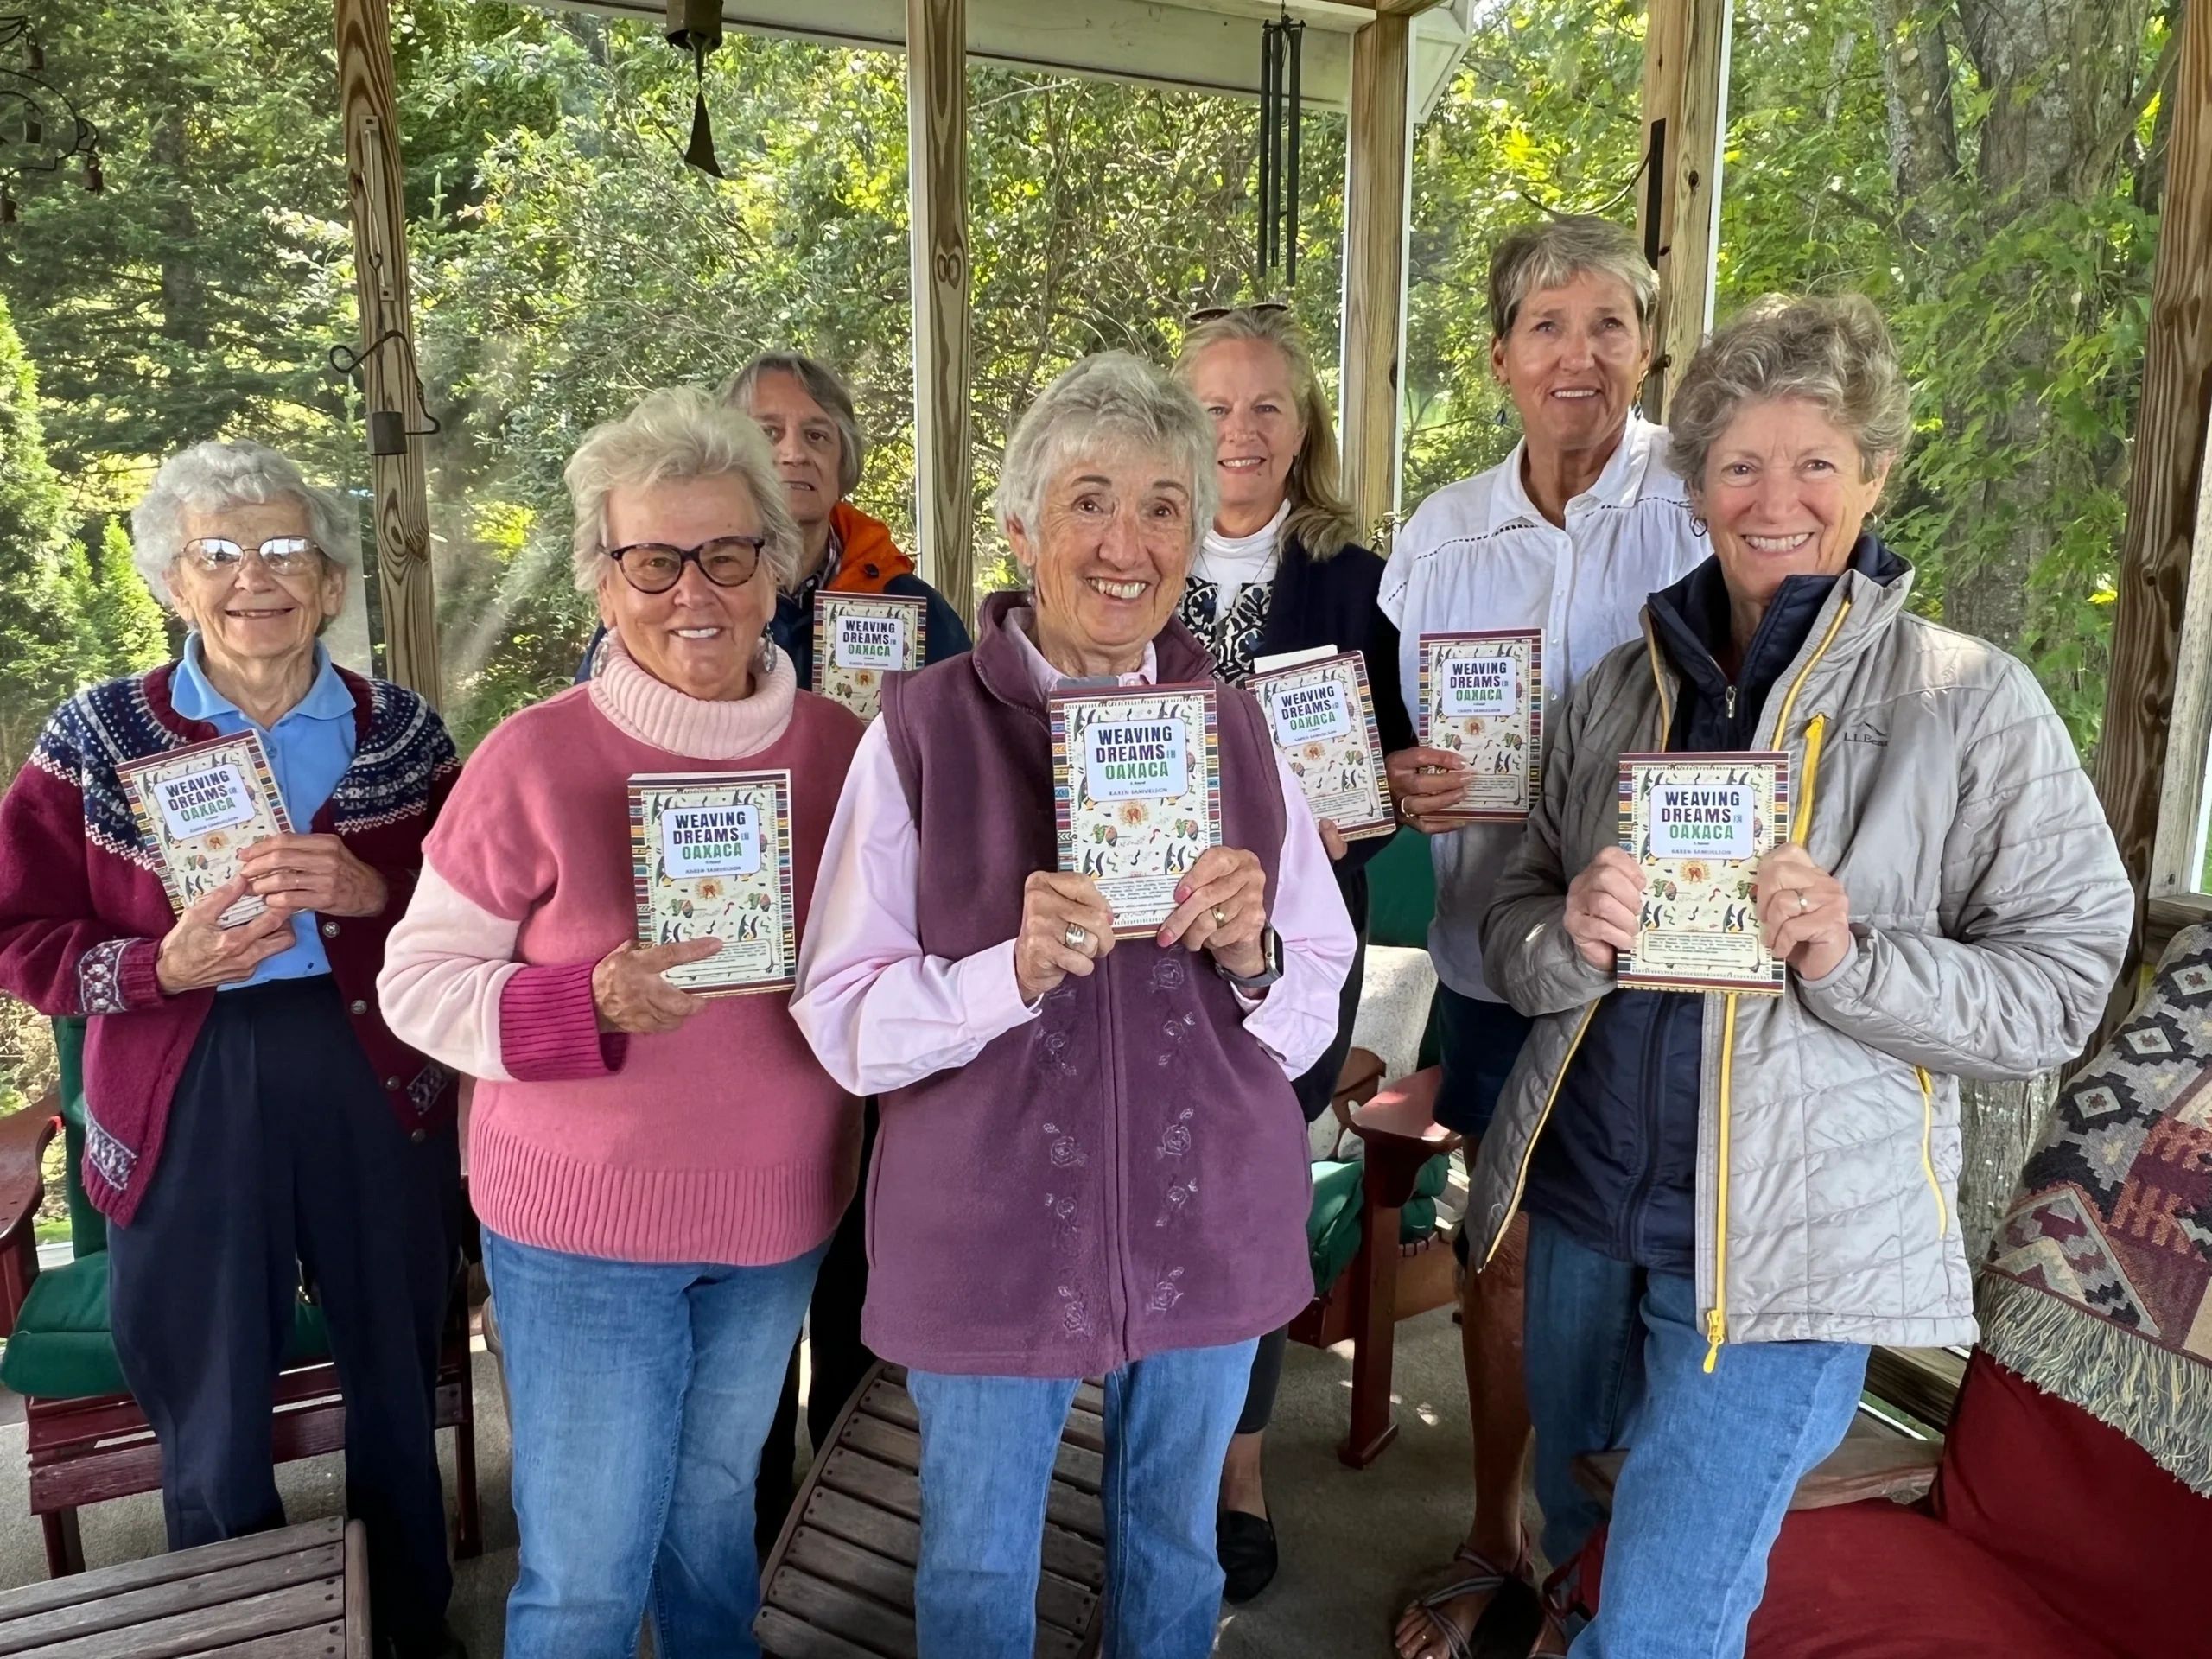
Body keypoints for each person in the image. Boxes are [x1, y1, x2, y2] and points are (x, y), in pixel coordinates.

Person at [1474, 294, 2131, 1657]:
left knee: (1658, 1623)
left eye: (1816, 462)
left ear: (1877, 474)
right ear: (1698, 486)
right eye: (1741, 466)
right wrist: (1566, 932)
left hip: (1793, 1257)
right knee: (1580, 1516)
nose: (1776, 500)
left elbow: (2065, 981)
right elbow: (1512, 925)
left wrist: (1851, 955)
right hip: (1592, 1210)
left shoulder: (1968, 701)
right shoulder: (1619, 687)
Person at [790, 352, 1356, 1659]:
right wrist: (1008, 972)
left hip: (1204, 1211)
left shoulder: (1240, 729)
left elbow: (1310, 1000)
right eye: (1090, 499)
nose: (1127, 542)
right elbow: (844, 1015)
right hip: (990, 1224)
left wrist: (1253, 952)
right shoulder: (925, 728)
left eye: (1165, 506)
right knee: (981, 1567)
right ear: (1020, 529)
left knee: (1172, 1548)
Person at [378, 387, 865, 1658]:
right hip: (583, 1231)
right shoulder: (532, 761)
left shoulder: (846, 754)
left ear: (778, 566)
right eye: (652, 559)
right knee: (590, 1571)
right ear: (603, 579)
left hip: (776, 1220)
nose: (691, 589)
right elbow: (417, 985)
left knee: (711, 1527)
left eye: (726, 553)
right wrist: (582, 1002)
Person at [0, 442, 464, 1659]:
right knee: (208, 1399)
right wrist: (157, 967)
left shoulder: (403, 733)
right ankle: (237, 1631)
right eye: (218, 553)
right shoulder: (100, 735)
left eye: (284, 552)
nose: (254, 579)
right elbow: (20, 930)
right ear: (171, 581)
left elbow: (481, 912)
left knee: (393, 1373)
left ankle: (408, 1628)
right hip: (182, 1078)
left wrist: (374, 890)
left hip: (370, 1073)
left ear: (329, 580)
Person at [1383, 215, 1708, 1659]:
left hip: (1662, 965)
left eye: (1611, 324)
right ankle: (1494, 1534)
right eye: (1548, 325)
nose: (1580, 355)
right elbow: (1402, 741)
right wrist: (1401, 779)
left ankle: (1617, 1565)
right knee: (1503, 1249)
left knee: (1639, 1256)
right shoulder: (1441, 534)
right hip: (1492, 946)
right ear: (1502, 353)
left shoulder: (1705, 511)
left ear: (1649, 348)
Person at [1171, 303, 1414, 1600]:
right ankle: (1135, 1451)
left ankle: (1240, 1472)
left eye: (1268, 407)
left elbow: (1390, 775)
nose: (1241, 433)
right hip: (1143, 953)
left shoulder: (1356, 579)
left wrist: (1348, 826)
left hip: (1297, 949)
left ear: (1305, 425)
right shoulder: (1129, 553)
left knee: (1255, 1211)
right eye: (1213, 408)